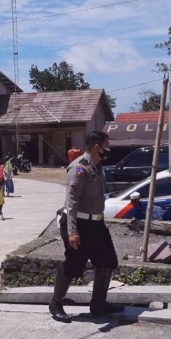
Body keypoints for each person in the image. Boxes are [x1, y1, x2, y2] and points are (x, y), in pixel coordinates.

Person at [49, 131, 124, 323]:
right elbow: (72, 202)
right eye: (106, 145)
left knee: (107, 262)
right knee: (73, 265)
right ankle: (56, 304)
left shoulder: (97, 167)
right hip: (78, 225)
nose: (108, 149)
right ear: (96, 146)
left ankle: (98, 304)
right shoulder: (79, 168)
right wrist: (73, 232)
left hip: (96, 223)